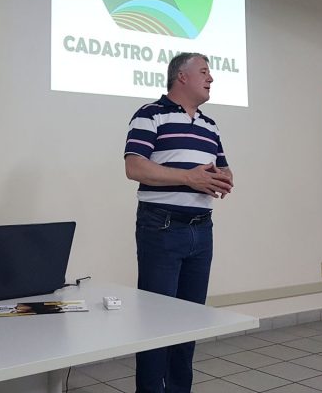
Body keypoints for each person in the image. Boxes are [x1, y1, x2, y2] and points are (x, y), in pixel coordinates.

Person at [124, 52, 234, 393]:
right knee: (155, 323)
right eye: (204, 71)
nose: (211, 78)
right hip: (161, 228)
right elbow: (134, 167)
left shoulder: (210, 125)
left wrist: (223, 178)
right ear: (181, 76)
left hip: (202, 229)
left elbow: (224, 168)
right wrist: (189, 178)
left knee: (190, 323)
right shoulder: (149, 115)